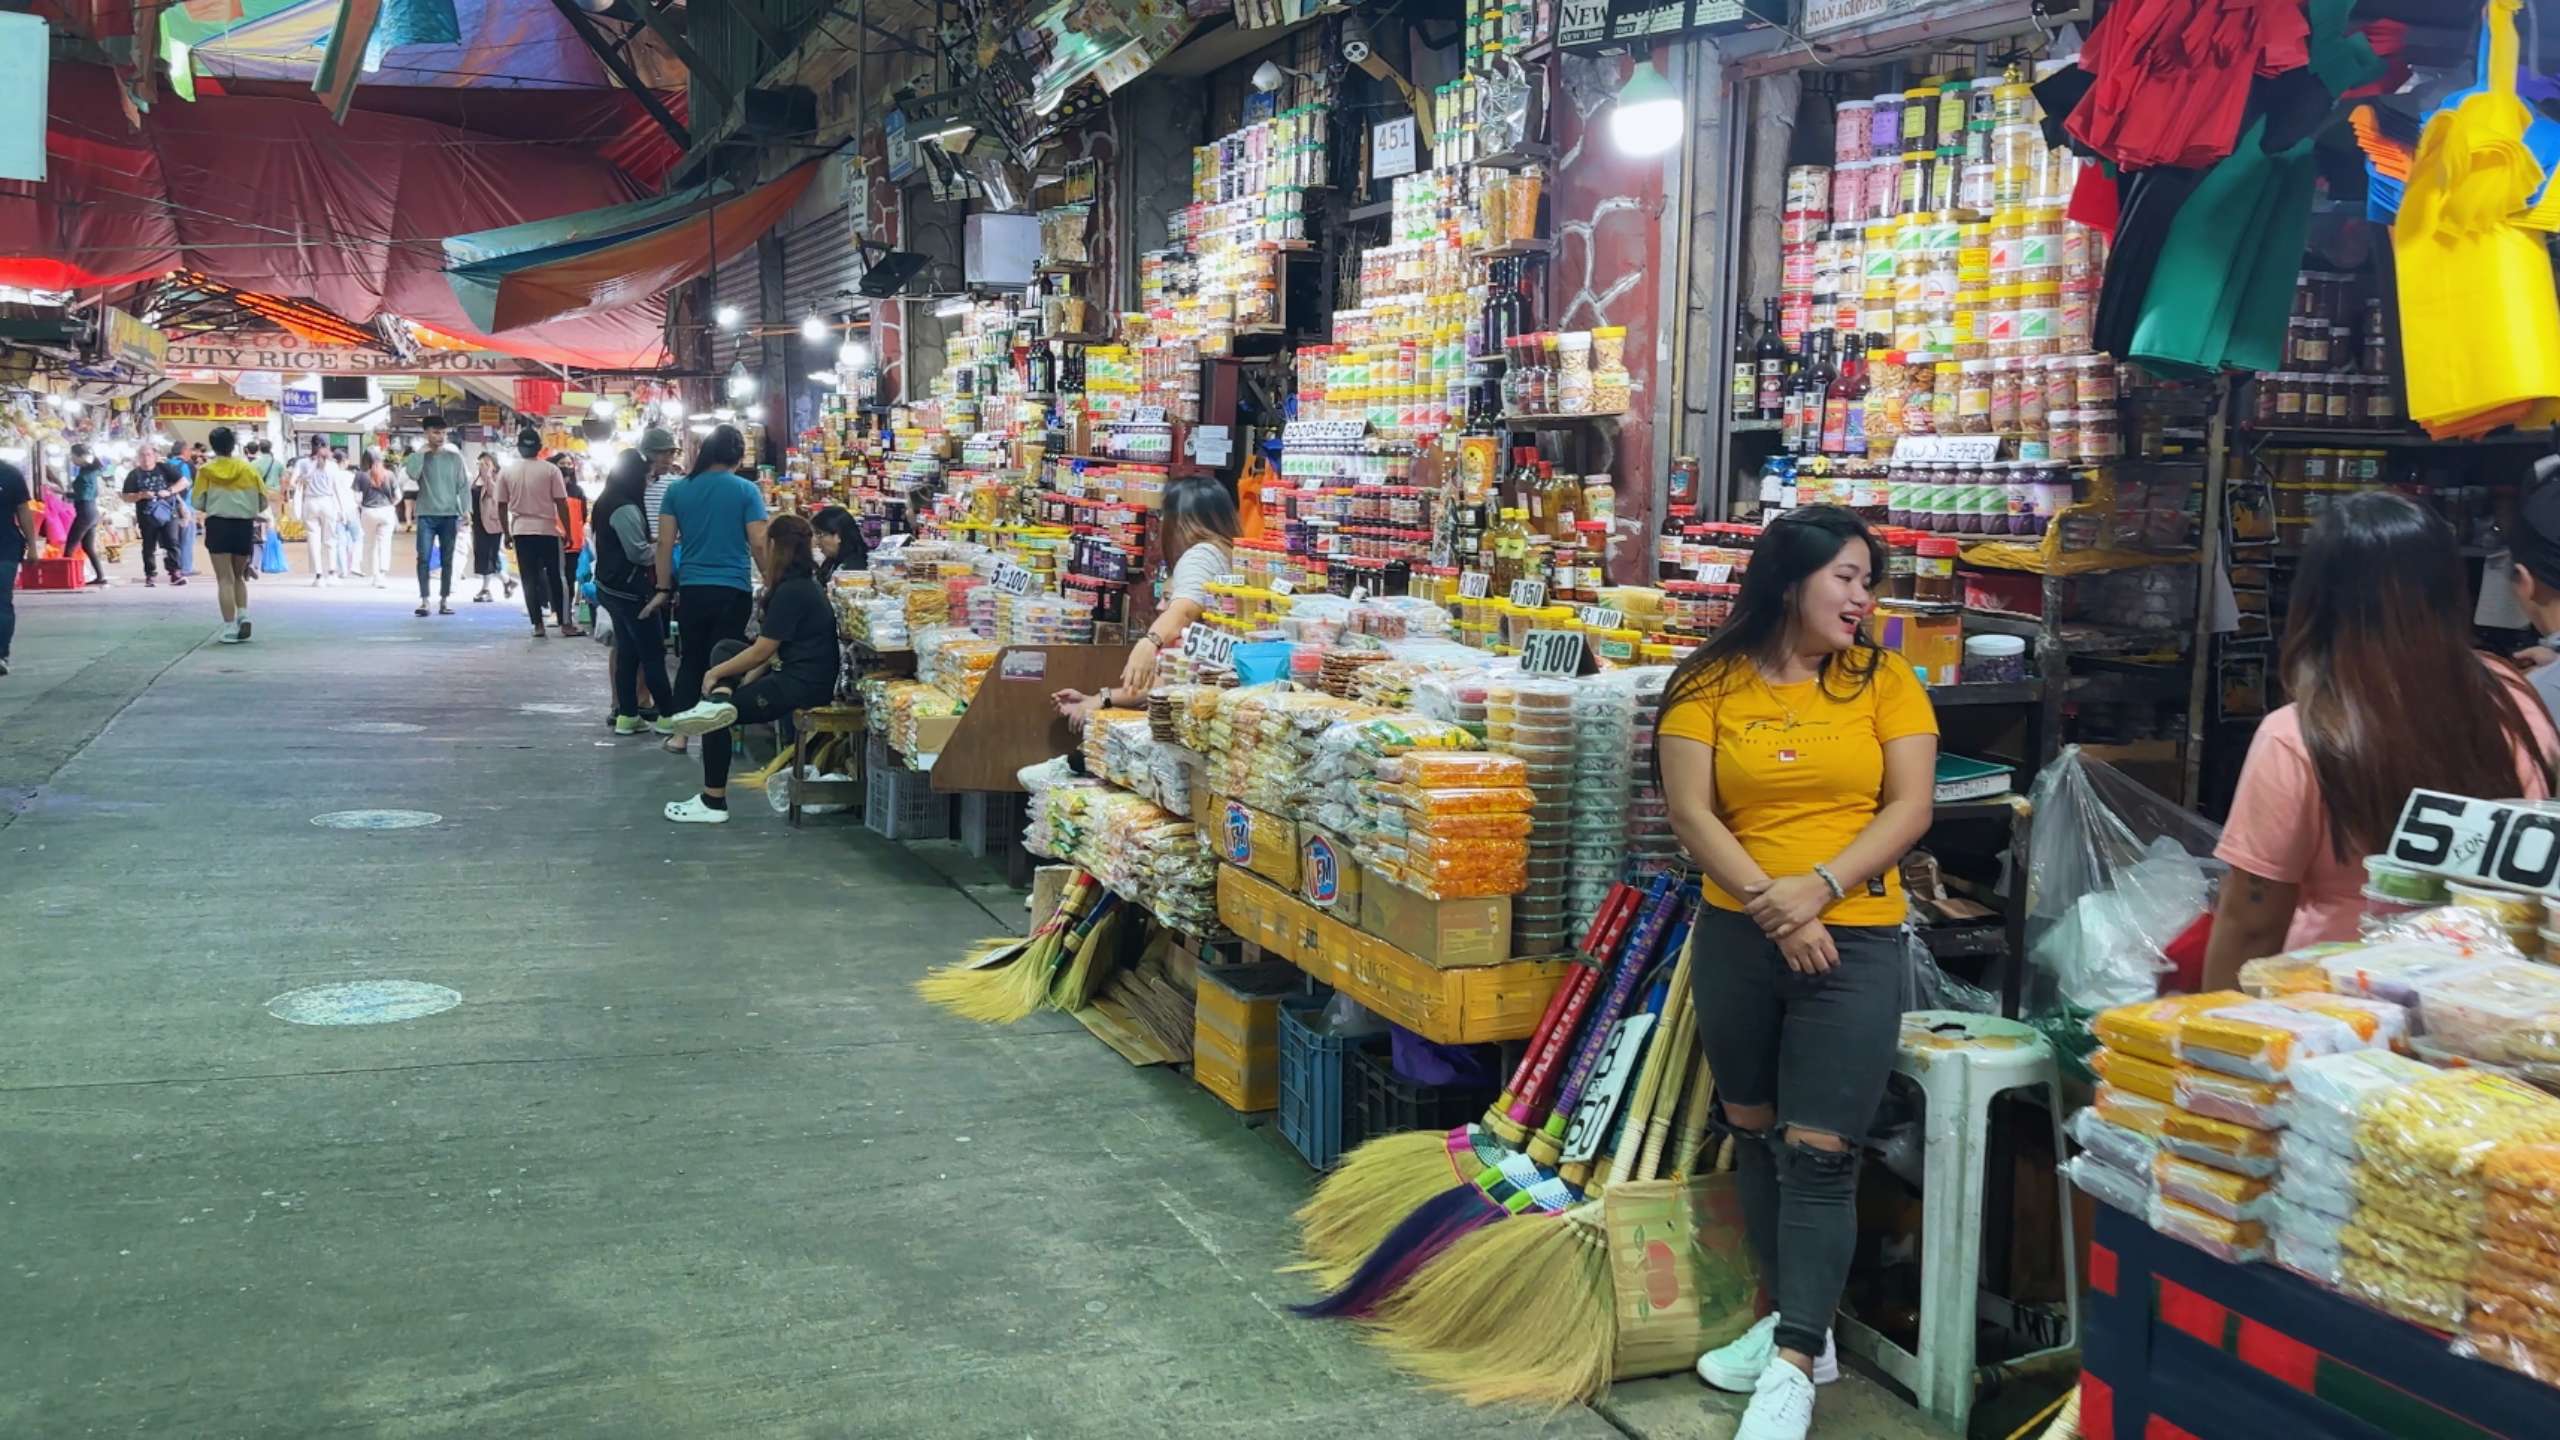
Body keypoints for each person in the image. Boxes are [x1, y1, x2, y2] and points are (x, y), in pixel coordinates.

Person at [1656, 506, 1939, 1440]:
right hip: (1740, 937)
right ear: (1789, 580)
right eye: (1846, 578)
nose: (1863, 598)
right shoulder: (1706, 683)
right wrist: (1771, 907)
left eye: (1869, 580)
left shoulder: (1886, 682)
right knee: (1756, 1132)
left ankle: (1792, 1370)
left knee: (1822, 1152)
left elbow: (1911, 809)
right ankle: (1793, 1325)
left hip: (1853, 937)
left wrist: (1818, 889)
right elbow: (1692, 814)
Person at [2205, 492, 2559, 984]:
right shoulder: (2515, 699)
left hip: (2338, 1015)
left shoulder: (2301, 735)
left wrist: (2204, 1037)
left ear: (2317, 603)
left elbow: (2252, 922)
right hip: (2485, 997)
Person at [661, 514, 840, 824]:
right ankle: (719, 700)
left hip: (801, 684)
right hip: (792, 672)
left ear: (774, 546)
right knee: (726, 648)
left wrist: (715, 675)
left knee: (715, 719)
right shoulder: (800, 585)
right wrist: (736, 682)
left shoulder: (792, 591)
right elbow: (766, 653)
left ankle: (713, 801)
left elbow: (763, 651)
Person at [647, 424, 768, 754]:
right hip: (733, 590)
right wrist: (772, 582)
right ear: (738, 456)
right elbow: (759, 542)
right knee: (724, 662)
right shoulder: (746, 491)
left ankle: (680, 735)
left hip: (693, 590)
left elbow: (665, 544)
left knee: (692, 660)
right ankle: (719, 736)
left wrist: (662, 586)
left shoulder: (678, 490)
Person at [1115, 476, 1238, 698]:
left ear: (1177, 521)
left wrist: (1149, 641)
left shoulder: (1201, 556)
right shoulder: (1228, 551)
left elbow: (1185, 609)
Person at [592, 439, 676, 734]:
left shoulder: (606, 501)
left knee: (628, 651)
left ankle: (628, 715)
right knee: (652, 653)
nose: (647, 483)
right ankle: (667, 715)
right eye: (644, 477)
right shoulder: (624, 507)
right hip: (630, 591)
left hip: (612, 587)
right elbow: (638, 553)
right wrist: (666, 547)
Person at [493, 426, 581, 637]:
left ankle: (538, 625)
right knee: (557, 578)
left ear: (519, 447)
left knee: (529, 579)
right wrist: (568, 532)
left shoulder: (507, 471)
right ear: (540, 448)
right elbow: (561, 503)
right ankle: (565, 624)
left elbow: (501, 506)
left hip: (521, 530)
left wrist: (506, 533)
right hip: (548, 530)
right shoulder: (551, 470)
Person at [188, 426, 267, 644]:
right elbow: (262, 500)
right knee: (239, 576)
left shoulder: (205, 471)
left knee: (224, 579)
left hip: (218, 525)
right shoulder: (248, 469)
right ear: (233, 445)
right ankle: (243, 615)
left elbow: (197, 502)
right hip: (243, 526)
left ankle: (229, 627)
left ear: (213, 446)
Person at [405, 415, 470, 617]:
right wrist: (420, 454)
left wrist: (466, 510)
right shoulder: (420, 457)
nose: (440, 436)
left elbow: (463, 486)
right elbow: (412, 474)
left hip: (449, 514)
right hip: (426, 514)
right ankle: (425, 600)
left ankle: (444, 600)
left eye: (443, 433)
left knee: (447, 559)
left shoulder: (454, 458)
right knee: (423, 557)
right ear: (426, 433)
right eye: (435, 432)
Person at [121, 443, 189, 587]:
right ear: (138, 458)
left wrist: (169, 491)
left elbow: (184, 482)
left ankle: (175, 572)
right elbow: (126, 496)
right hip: (147, 515)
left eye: (149, 455)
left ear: (155, 456)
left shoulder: (164, 468)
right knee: (148, 545)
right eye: (142, 455)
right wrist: (141, 495)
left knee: (172, 541)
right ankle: (150, 574)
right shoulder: (134, 475)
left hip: (168, 512)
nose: (146, 458)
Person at [288, 437, 351, 584]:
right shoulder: (332, 465)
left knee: (313, 539)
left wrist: (303, 480)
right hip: (328, 502)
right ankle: (332, 573)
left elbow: (292, 483)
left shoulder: (302, 463)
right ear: (327, 446)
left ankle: (318, 576)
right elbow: (337, 490)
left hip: (310, 503)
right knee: (330, 540)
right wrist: (342, 510)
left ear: (311, 446)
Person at [468, 450, 514, 603]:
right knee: (482, 555)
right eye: (481, 463)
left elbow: (496, 494)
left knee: (490, 555)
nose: (483, 467)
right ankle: (507, 581)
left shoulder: (498, 478)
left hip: (493, 522)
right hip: (478, 523)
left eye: (487, 463)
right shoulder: (476, 480)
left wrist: (488, 476)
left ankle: (486, 589)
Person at [0, 453, 32, 675]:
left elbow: (23, 510)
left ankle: (1, 653)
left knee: (2, 601)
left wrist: (33, 545)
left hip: (5, 547)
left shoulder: (10, 474)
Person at [352, 449, 401, 587]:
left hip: (368, 512)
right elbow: (398, 496)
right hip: (386, 511)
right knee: (385, 544)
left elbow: (356, 498)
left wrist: (363, 506)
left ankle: (375, 576)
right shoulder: (389, 474)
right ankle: (382, 574)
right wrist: (391, 505)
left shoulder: (360, 475)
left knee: (370, 544)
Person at [65, 443, 107, 586]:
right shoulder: (91, 470)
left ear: (80, 456)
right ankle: (100, 577)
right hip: (91, 512)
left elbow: (83, 495)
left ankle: (66, 579)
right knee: (87, 546)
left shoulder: (86, 473)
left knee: (70, 546)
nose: (71, 459)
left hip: (85, 512)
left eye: (73, 456)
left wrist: (65, 494)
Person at [811, 505, 868, 582]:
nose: (816, 541)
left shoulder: (851, 572)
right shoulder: (832, 560)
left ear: (838, 536)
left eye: (820, 534)